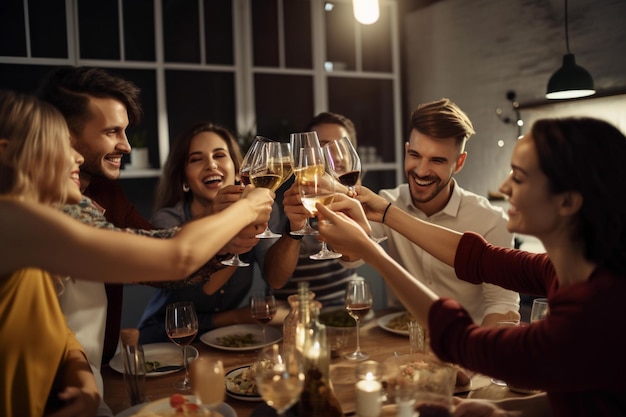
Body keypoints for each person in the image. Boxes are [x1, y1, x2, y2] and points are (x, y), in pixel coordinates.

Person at [316, 117, 626, 417]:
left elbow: (461, 340)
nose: (504, 187)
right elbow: (479, 257)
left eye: (518, 177)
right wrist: (498, 411)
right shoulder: (561, 272)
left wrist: (372, 253)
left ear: (568, 202)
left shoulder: (594, 314)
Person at [0, 90, 273, 417]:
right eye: (60, 145)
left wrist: (81, 374)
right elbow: (176, 256)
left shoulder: (36, 221)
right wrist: (247, 207)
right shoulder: (14, 220)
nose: (74, 158)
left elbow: (54, 323)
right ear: (8, 154)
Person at [369, 98, 519, 326]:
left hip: (466, 344)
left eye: (437, 160)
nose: (421, 170)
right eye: (415, 155)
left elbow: (502, 303)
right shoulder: (385, 201)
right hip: (399, 343)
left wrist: (479, 352)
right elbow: (349, 258)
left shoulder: (492, 220)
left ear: (459, 163)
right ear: (406, 150)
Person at [138, 121, 266, 343]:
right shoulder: (167, 220)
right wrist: (224, 217)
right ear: (184, 179)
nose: (211, 165)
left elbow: (278, 278)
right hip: (163, 342)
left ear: (238, 171)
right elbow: (206, 289)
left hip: (223, 342)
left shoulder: (253, 213)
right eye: (196, 159)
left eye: (219, 155)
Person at [261, 112, 360, 306]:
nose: (336, 156)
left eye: (341, 146)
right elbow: (275, 280)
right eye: (323, 147)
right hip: (293, 318)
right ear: (307, 156)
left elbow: (355, 256)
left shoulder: (356, 201)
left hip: (346, 313)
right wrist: (294, 230)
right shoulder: (283, 199)